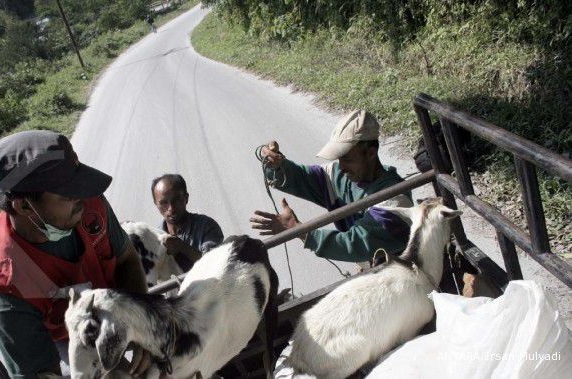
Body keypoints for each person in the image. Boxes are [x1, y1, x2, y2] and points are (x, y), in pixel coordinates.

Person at [0, 130, 151, 378]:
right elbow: (43, 373)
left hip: (117, 311)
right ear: (24, 205)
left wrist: (143, 326)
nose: (81, 197)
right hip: (63, 344)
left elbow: (127, 260)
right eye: (67, 193)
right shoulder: (5, 286)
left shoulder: (90, 208)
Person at [249, 110, 413, 264]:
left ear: (370, 153)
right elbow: (301, 178)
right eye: (339, 158)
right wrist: (276, 165)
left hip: (399, 275)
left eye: (347, 159)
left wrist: (297, 229)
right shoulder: (338, 175)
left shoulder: (395, 199)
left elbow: (356, 245)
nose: (341, 166)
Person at [152, 174, 224, 272]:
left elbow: (217, 265)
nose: (171, 208)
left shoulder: (206, 226)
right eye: (164, 203)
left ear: (186, 198)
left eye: (176, 200)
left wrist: (182, 247)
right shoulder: (153, 239)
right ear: (156, 204)